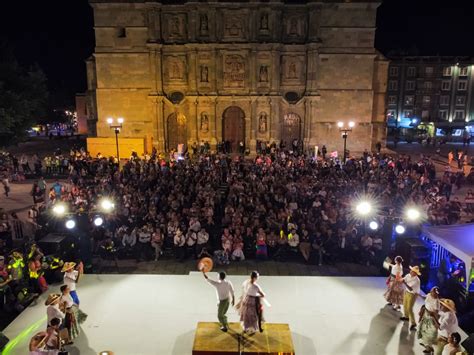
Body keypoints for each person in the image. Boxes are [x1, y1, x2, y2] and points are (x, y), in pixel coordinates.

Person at [418, 286, 440, 354]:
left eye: (435, 293)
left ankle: (429, 348)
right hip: (425, 313)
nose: (433, 293)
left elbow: (436, 311)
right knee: (423, 328)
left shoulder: (437, 301)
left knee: (429, 331)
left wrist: (434, 317)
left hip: (431, 316)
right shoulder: (429, 295)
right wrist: (419, 295)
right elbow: (425, 297)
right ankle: (425, 342)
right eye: (433, 291)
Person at [400, 265, 421, 331]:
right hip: (407, 292)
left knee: (410, 308)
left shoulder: (417, 280)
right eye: (411, 270)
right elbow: (404, 278)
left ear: (416, 273)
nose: (411, 271)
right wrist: (402, 279)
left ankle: (413, 323)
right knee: (405, 304)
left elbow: (410, 288)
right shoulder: (408, 275)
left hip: (413, 294)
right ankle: (406, 317)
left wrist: (404, 283)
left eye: (413, 271)